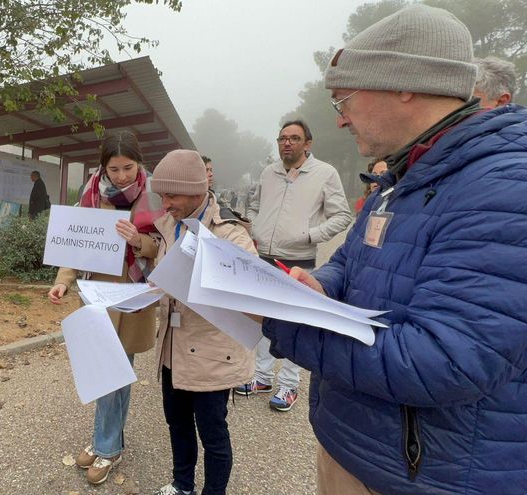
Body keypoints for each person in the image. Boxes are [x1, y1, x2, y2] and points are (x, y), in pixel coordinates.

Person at [261, 5, 527, 494]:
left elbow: (449, 361)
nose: (341, 120)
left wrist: (280, 320)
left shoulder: (502, 186)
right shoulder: (403, 175)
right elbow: (351, 262)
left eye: (345, 100)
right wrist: (317, 285)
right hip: (364, 450)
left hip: (426, 476)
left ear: (405, 83)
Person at [47, 131, 162, 485]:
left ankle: (106, 446)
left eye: (128, 167)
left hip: (132, 296)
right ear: (103, 167)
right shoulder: (91, 193)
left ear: (139, 163)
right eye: (114, 169)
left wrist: (138, 241)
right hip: (95, 294)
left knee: (117, 372)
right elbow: (75, 241)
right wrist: (63, 280)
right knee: (106, 372)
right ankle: (108, 442)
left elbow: (164, 244)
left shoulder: (154, 193)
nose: (122, 176)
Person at [149, 150, 256, 495]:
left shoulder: (230, 233)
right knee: (177, 422)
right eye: (161, 195)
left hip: (211, 351)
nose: (165, 204)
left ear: (196, 190)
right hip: (172, 345)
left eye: (172, 195)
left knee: (213, 434)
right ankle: (182, 485)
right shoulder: (169, 224)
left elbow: (251, 291)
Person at [239, 120, 352, 411]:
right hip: (264, 256)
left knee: (296, 323)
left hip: (299, 262)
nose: (286, 143)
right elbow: (254, 205)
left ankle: (289, 385)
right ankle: (262, 377)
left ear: (307, 143)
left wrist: (310, 235)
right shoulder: (269, 172)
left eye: (294, 138)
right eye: (282, 138)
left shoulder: (325, 173)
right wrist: (256, 226)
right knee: (263, 319)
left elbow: (342, 215)